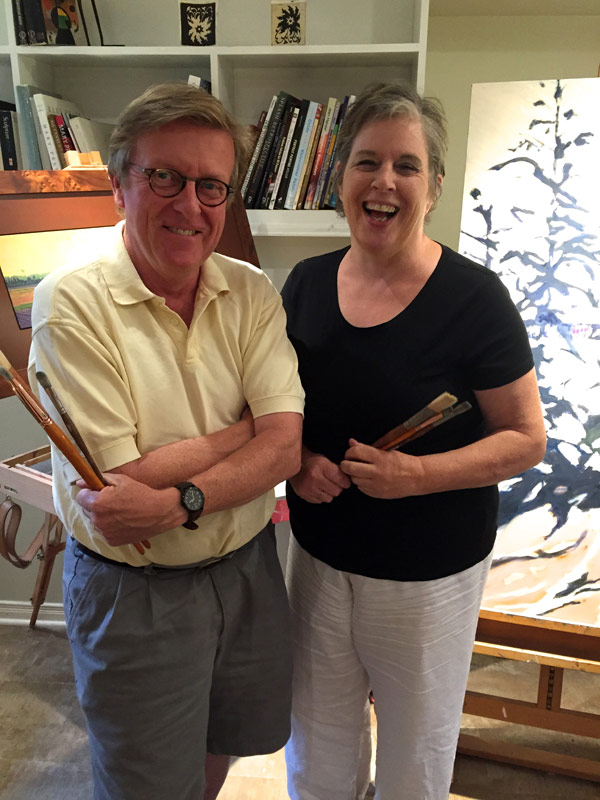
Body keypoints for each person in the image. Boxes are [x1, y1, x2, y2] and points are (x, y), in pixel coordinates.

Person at [28, 82, 304, 800]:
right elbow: (125, 480)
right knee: (144, 786)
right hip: (136, 591)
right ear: (120, 184)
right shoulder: (71, 301)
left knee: (227, 745)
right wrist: (249, 432)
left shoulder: (251, 292)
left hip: (247, 571)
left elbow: (285, 451)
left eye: (211, 185)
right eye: (164, 177)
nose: (190, 205)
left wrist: (183, 494)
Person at [281, 81, 547, 800]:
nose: (384, 181)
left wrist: (417, 475)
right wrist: (300, 463)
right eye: (367, 161)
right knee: (318, 747)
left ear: (432, 186)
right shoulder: (303, 286)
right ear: (340, 178)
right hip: (317, 561)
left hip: (428, 578)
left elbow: (525, 440)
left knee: (414, 757)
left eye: (406, 165)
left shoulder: (475, 299)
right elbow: (279, 416)